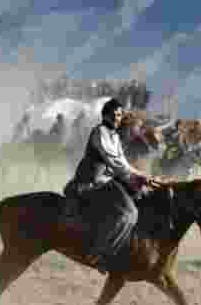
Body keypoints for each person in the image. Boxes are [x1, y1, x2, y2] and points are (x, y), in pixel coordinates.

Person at [65, 98, 159, 273]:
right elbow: (115, 162)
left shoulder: (114, 135)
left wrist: (144, 178)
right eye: (115, 115)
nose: (118, 118)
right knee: (129, 213)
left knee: (140, 198)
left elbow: (124, 164)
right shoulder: (100, 132)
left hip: (106, 182)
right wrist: (140, 176)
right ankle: (98, 254)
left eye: (120, 115)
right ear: (105, 115)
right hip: (90, 184)